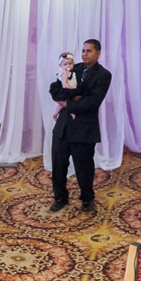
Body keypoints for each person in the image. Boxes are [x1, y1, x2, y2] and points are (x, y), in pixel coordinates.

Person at [48, 38, 112, 213]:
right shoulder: (72, 68)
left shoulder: (103, 75)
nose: (84, 54)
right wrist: (66, 99)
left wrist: (68, 104)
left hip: (84, 129)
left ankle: (87, 199)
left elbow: (93, 101)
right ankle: (60, 197)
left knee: (84, 167)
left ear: (98, 53)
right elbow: (55, 89)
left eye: (88, 51)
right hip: (63, 127)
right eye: (83, 51)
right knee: (58, 164)